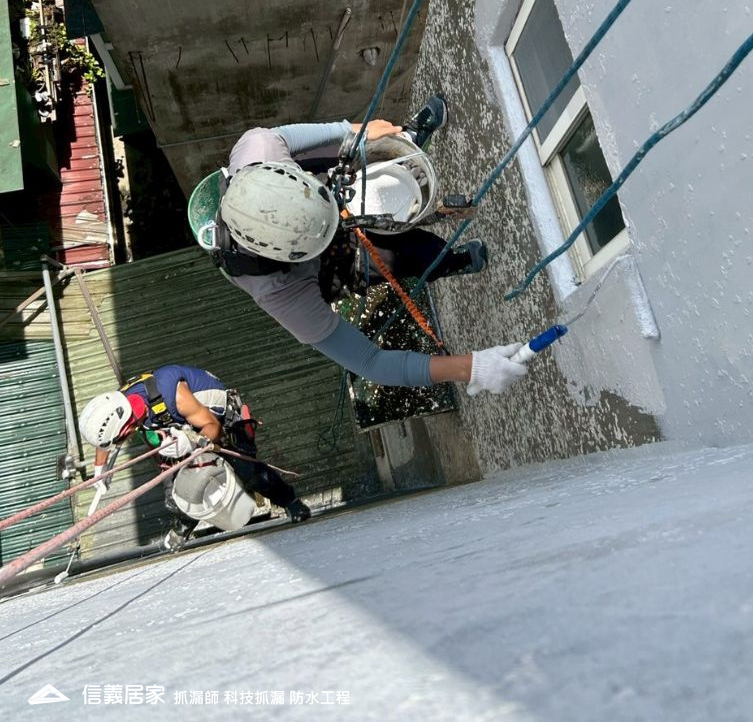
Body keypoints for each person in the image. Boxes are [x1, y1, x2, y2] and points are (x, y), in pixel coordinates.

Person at [189, 96, 527, 397]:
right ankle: (450, 262)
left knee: (365, 149)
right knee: (417, 254)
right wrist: (469, 367)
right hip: (334, 264)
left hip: (321, 190)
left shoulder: (259, 149)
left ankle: (407, 141)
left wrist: (355, 131)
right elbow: (371, 363)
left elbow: (296, 137)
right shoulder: (283, 294)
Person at [78, 364, 311, 551]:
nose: (120, 444)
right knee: (174, 495)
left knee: (249, 473)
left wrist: (188, 442)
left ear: (127, 426)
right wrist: (100, 470)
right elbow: (106, 439)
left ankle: (290, 501)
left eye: (121, 439)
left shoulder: (173, 395)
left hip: (217, 420)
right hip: (179, 430)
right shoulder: (120, 404)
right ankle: (186, 523)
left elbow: (213, 429)